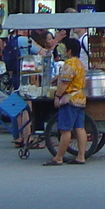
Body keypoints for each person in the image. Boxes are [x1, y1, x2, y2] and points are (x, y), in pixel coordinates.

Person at [44, 37, 88, 165]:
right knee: (80, 128)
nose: (63, 51)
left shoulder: (69, 63)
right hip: (80, 98)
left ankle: (58, 158)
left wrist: (57, 96)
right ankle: (81, 156)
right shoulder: (79, 63)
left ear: (69, 51)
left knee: (65, 130)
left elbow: (64, 82)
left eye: (64, 49)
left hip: (70, 100)